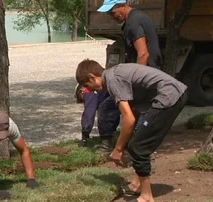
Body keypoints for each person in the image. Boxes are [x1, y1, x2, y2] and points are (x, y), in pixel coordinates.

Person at [76, 59, 187, 202]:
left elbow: (129, 119)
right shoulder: (113, 75)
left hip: (170, 96)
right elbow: (133, 114)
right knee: (137, 142)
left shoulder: (112, 80)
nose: (89, 90)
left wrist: (118, 148)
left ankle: (146, 197)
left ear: (93, 76)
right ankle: (137, 185)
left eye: (87, 85)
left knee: (138, 147)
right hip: (174, 94)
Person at [95, 0, 163, 152]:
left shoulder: (133, 23)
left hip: (144, 75)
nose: (112, 16)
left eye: (112, 12)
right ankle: (137, 147)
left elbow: (143, 53)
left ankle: (112, 145)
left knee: (108, 107)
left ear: (122, 5)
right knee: (137, 111)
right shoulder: (140, 17)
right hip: (150, 73)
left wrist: (135, 81)